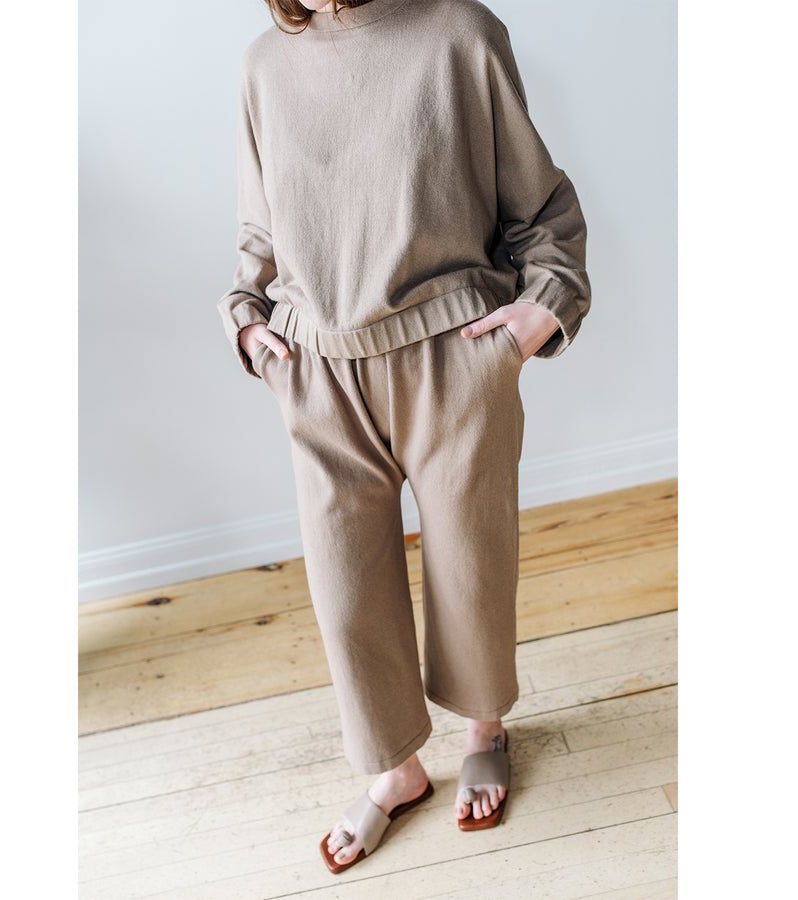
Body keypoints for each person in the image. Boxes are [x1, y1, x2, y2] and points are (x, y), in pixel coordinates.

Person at [217, 0, 590, 874]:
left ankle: (485, 730)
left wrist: (544, 308)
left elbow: (539, 203)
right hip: (318, 367)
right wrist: (247, 319)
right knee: (345, 587)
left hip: (451, 355)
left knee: (471, 563)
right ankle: (396, 769)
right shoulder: (265, 63)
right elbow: (260, 227)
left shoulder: (460, 33)